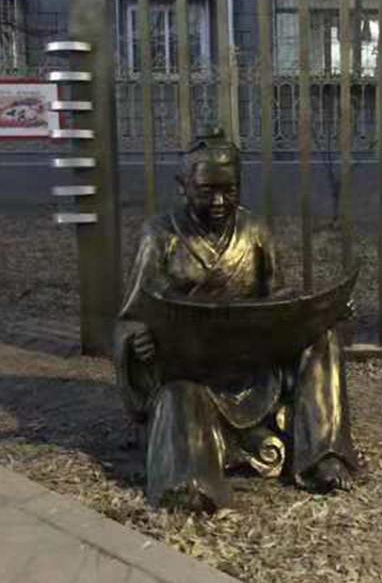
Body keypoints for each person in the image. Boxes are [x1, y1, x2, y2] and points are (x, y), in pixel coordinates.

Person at [114, 130, 358, 511]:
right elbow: (131, 316)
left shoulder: (254, 231)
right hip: (193, 373)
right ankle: (191, 483)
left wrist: (320, 314)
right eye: (206, 190)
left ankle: (323, 454)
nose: (218, 201)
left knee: (323, 338)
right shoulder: (160, 235)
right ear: (183, 186)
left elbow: (276, 298)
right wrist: (137, 341)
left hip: (255, 365)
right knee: (180, 397)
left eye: (229, 190)